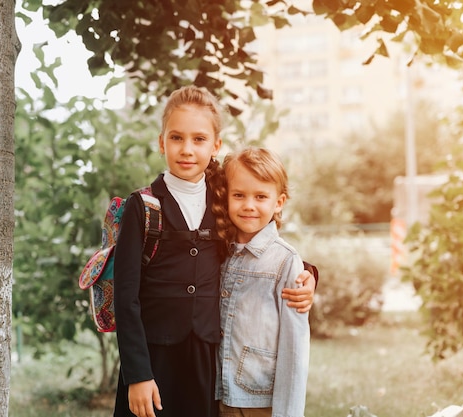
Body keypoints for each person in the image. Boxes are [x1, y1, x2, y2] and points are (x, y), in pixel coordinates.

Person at [112, 85, 315, 417]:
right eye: (176, 138)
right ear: (161, 142)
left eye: (199, 139)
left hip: (205, 360)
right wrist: (137, 374)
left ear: (216, 145)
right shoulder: (144, 206)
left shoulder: (224, 196)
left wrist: (308, 273)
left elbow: (257, 246)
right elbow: (125, 295)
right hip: (153, 359)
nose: (187, 149)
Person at [215, 147, 310, 417]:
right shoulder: (219, 251)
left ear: (278, 203)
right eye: (239, 195)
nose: (249, 205)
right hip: (216, 394)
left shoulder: (285, 261)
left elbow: (295, 348)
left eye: (260, 196)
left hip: (259, 401)